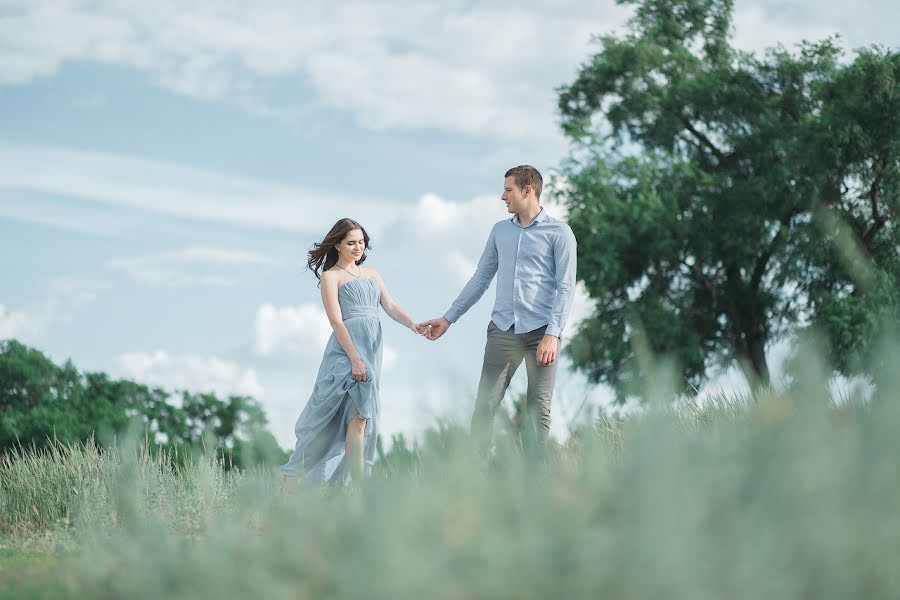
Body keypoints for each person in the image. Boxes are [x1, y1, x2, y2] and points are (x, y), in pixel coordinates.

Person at [420, 165, 577, 450]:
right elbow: (481, 278)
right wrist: (449, 318)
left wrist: (553, 334)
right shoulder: (500, 231)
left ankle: (535, 483)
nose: (502, 197)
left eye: (508, 190)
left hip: (542, 334)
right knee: (484, 409)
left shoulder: (560, 233)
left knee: (538, 411)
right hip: (503, 331)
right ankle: (474, 481)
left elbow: (566, 287)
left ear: (527, 191)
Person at [281, 218, 426, 488]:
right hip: (346, 353)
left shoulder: (372, 274)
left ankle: (357, 490)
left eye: (361, 242)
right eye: (351, 242)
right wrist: (355, 359)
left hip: (371, 351)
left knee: (360, 420)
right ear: (337, 245)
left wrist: (413, 325)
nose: (358, 247)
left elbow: (390, 305)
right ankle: (291, 480)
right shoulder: (331, 276)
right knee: (327, 422)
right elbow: (336, 321)